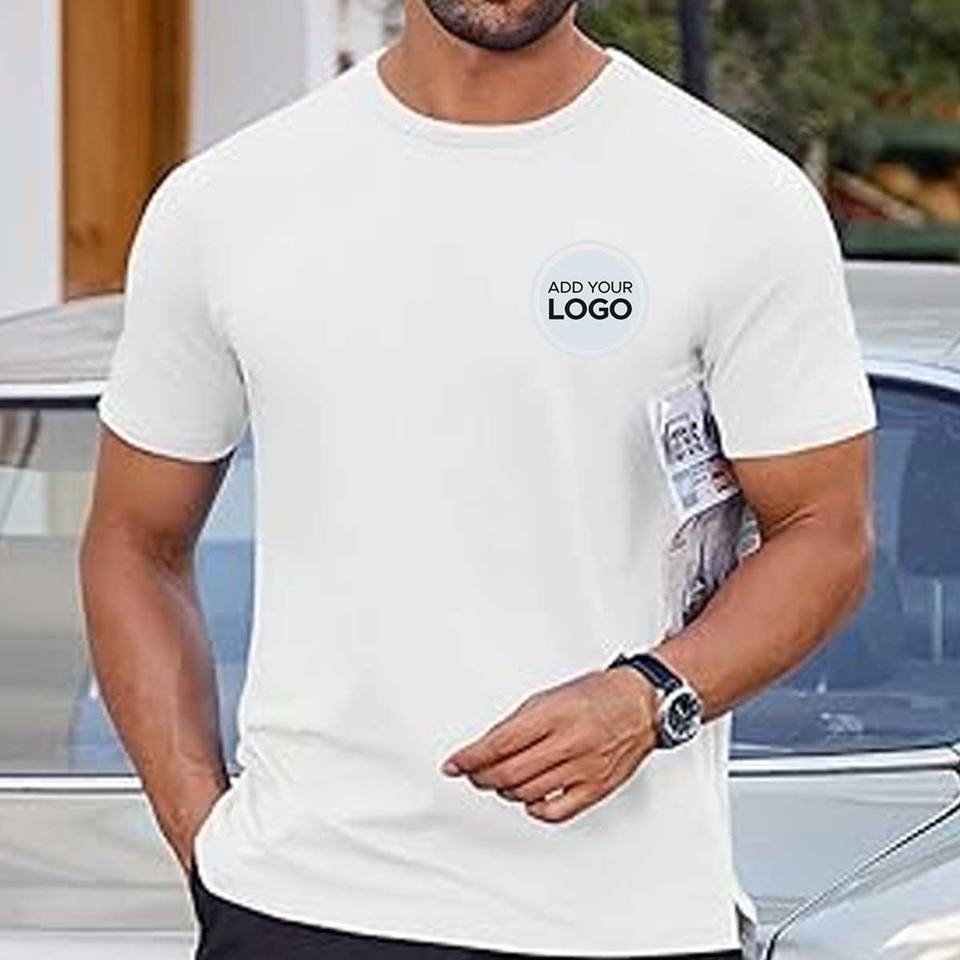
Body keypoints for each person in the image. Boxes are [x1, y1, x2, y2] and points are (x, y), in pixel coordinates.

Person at [79, 1, 876, 958]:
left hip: (618, 921)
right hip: (296, 905)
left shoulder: (736, 199)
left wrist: (652, 695)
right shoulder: (228, 203)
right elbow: (133, 542)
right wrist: (207, 846)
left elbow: (826, 530)